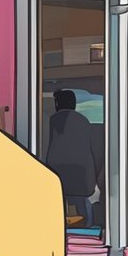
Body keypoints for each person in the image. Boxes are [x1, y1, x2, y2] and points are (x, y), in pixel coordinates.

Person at [44, 89, 102, 227]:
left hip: (54, 175)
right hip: (81, 179)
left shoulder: (49, 123)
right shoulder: (84, 122)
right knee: (83, 209)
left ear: (57, 104)